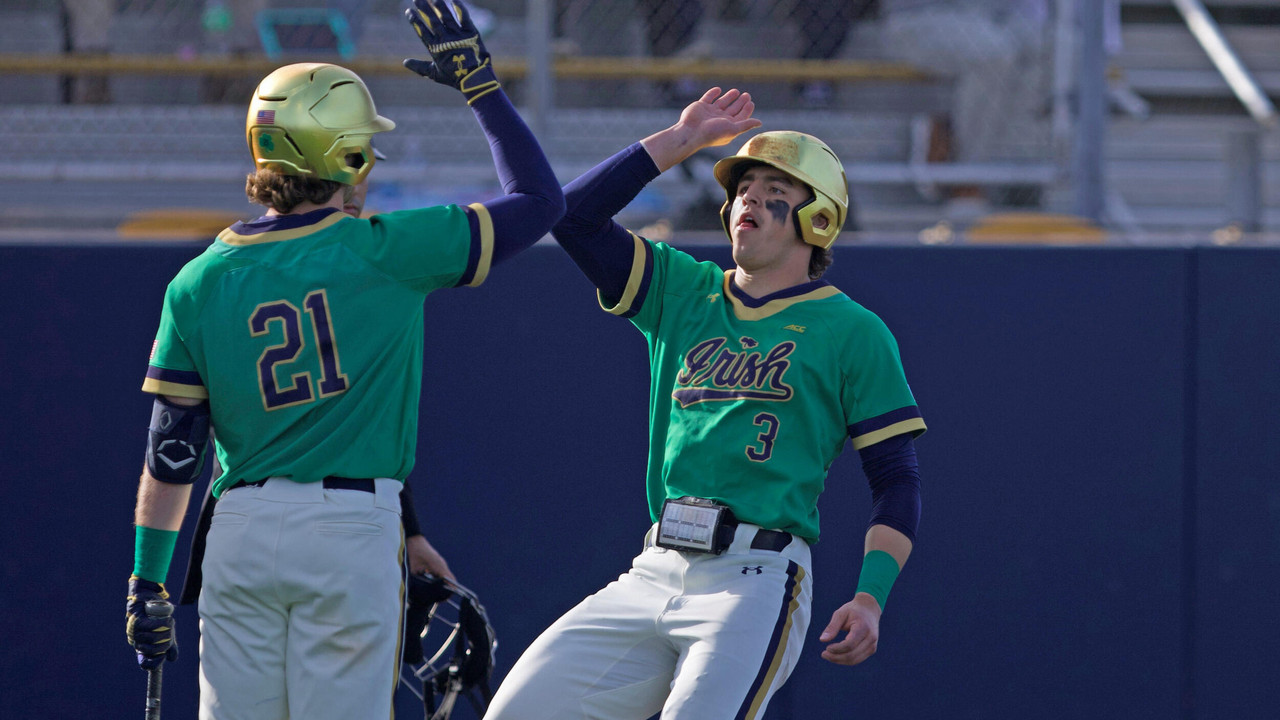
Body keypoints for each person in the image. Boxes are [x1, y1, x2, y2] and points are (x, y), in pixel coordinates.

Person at [122, 1, 564, 718]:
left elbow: (172, 454)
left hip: (236, 532)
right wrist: (482, 88)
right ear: (346, 156)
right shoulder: (386, 249)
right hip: (349, 529)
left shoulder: (197, 280)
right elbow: (540, 202)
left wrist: (147, 581)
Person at [485, 88, 926, 719]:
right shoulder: (684, 290)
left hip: (755, 577)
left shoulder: (853, 330)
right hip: (654, 567)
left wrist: (871, 596)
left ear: (818, 218)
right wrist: (680, 142)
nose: (749, 195)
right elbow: (572, 218)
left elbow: (896, 478)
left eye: (776, 187)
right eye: (744, 184)